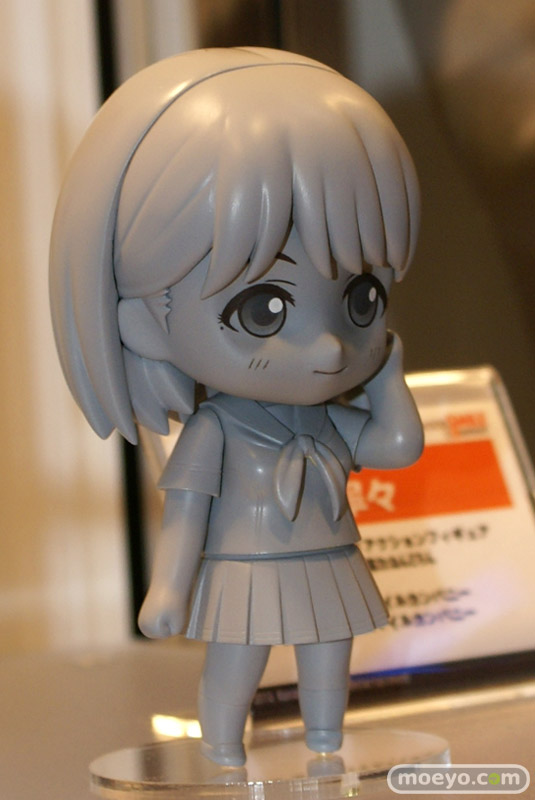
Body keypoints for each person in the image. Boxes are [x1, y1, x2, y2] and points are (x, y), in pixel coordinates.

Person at [50, 46, 423, 766]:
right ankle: (222, 751)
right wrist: (168, 590)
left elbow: (397, 446)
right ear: (145, 321)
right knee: (237, 659)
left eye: (361, 297)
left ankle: (325, 744)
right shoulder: (218, 427)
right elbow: (186, 514)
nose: (327, 346)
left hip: (328, 556)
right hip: (244, 566)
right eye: (264, 308)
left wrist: (386, 375)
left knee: (329, 653)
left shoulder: (323, 418)